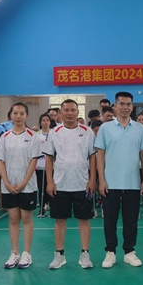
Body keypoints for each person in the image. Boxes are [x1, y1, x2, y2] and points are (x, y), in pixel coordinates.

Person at [95, 91, 143, 268]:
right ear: (115, 106)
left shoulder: (139, 129)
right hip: (110, 182)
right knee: (109, 219)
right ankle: (110, 252)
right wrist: (101, 180)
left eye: (128, 104)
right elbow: (100, 155)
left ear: (132, 107)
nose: (125, 107)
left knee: (131, 219)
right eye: (122, 104)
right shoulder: (105, 128)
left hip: (133, 182)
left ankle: (129, 251)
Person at [44, 99, 98, 270]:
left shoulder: (87, 132)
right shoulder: (54, 132)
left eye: (73, 110)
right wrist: (50, 181)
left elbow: (93, 157)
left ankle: (85, 254)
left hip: (82, 184)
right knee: (60, 220)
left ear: (77, 112)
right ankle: (59, 255)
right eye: (66, 110)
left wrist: (92, 180)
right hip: (60, 184)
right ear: (60, 113)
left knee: (84, 219)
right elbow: (49, 158)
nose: (69, 113)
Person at [0, 103, 40, 269]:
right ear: (10, 115)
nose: (18, 116)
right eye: (15, 113)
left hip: (27, 186)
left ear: (26, 116)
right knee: (13, 218)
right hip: (9, 186)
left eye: (22, 113)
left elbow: (34, 160)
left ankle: (27, 253)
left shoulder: (33, 136)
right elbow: (0, 161)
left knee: (26, 218)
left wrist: (24, 182)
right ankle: (15, 253)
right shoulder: (5, 137)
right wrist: (6, 182)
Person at [35, 113, 54, 218]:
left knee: (52, 186)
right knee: (41, 188)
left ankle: (52, 208)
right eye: (43, 120)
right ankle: (42, 208)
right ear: (40, 122)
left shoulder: (54, 133)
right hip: (40, 166)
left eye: (47, 120)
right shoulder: (36, 135)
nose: (46, 122)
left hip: (52, 166)